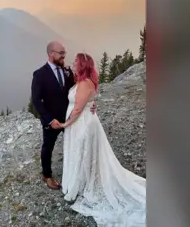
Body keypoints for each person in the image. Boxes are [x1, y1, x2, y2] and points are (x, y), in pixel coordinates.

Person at [59, 53, 146, 226]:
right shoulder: (84, 82)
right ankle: (81, 181)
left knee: (81, 153)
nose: (73, 64)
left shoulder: (84, 84)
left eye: (76, 62)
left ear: (82, 65)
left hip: (81, 124)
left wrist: (65, 124)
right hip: (82, 122)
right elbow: (85, 103)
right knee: (82, 153)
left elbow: (77, 109)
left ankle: (80, 184)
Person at [31, 41, 96, 190]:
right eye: (61, 53)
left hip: (70, 119)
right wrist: (48, 120)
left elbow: (81, 91)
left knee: (74, 144)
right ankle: (47, 175)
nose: (64, 56)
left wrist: (90, 103)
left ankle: (76, 173)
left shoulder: (67, 72)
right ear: (51, 54)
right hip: (52, 120)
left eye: (64, 53)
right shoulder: (39, 74)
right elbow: (36, 100)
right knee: (48, 147)